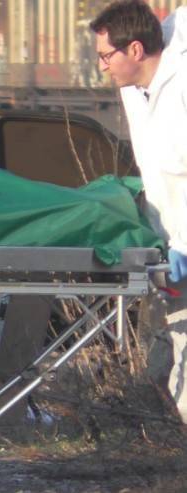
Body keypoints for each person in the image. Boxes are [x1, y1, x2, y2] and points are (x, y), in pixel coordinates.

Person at [91, 1, 187, 423]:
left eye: (105, 56)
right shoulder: (135, 89)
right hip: (173, 249)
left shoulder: (181, 85)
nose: (101, 67)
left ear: (134, 49)